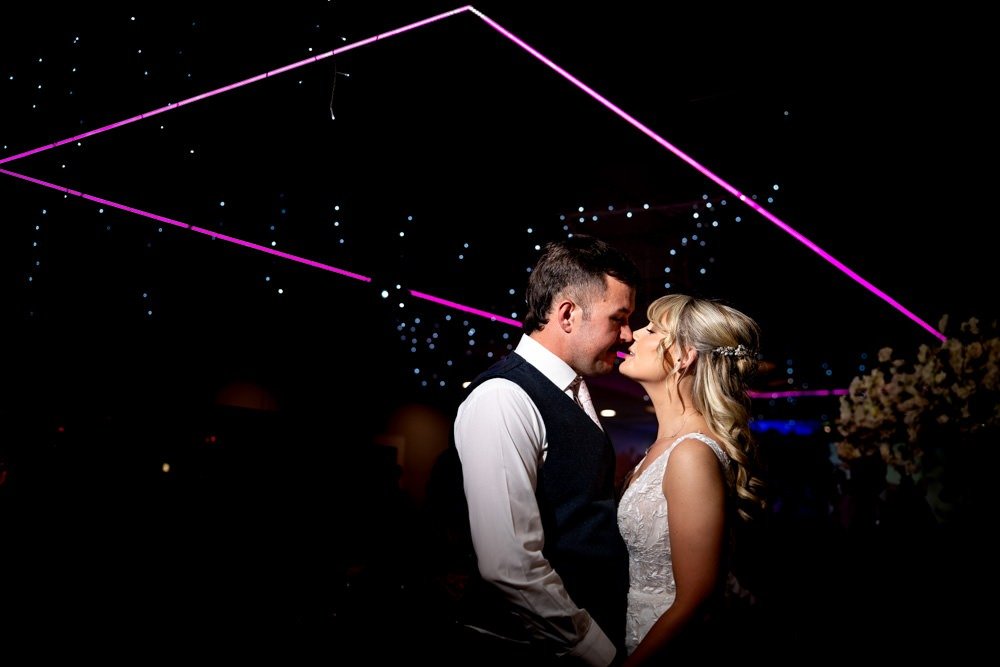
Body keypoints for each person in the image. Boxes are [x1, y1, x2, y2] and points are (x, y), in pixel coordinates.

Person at [447, 234, 641, 666]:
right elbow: (510, 566)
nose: (628, 334)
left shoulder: (574, 389)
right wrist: (599, 653)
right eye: (619, 318)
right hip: (526, 651)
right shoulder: (503, 397)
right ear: (568, 314)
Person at [615, 294, 766, 665]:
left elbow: (697, 597)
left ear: (683, 357)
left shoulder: (691, 455)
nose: (632, 334)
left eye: (651, 329)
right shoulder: (664, 448)